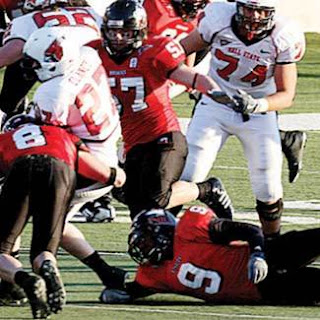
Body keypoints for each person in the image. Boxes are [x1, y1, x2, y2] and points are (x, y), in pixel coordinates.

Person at [178, 0, 306, 238]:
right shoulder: (218, 17)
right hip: (215, 104)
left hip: (258, 112)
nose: (255, 16)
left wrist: (259, 104)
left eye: (261, 11)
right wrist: (191, 78)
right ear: (237, 6)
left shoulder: (283, 35)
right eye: (249, 8)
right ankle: (164, 236)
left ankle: (272, 246)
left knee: (267, 186)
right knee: (188, 175)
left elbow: (287, 94)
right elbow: (179, 49)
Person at [99, 0, 235, 220]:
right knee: (137, 209)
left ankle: (208, 189)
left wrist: (214, 91)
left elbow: (190, 75)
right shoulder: (94, 53)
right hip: (133, 141)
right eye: (113, 31)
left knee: (156, 199)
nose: (118, 38)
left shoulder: (154, 51)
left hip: (164, 137)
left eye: (125, 32)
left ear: (139, 31)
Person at [0, 114, 126, 319]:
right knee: (43, 249)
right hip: (61, 171)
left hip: (22, 169)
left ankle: (24, 281)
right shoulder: (60, 133)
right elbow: (90, 166)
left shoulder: (5, 140)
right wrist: (113, 176)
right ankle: (47, 267)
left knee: (2, 247)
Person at [101, 206, 320, 306]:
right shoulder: (153, 274)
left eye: (146, 242)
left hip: (268, 255)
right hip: (263, 291)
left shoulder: (190, 228)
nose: (143, 249)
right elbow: (130, 291)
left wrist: (258, 254)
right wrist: (110, 295)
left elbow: (249, 230)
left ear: (163, 232)